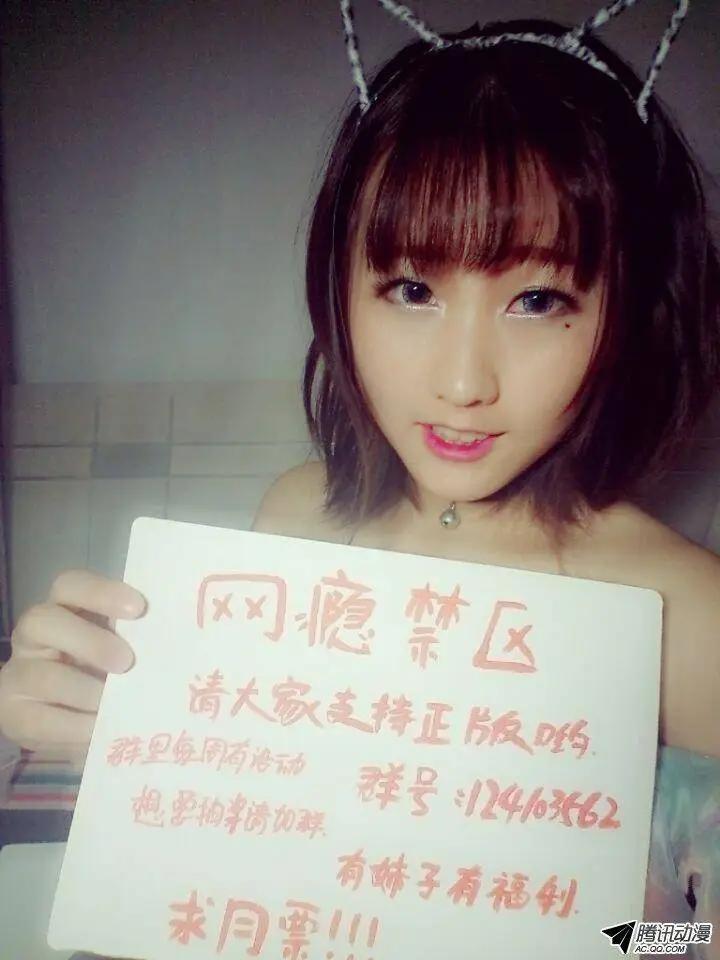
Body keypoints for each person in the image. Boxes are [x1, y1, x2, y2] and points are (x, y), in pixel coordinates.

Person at [0, 9, 718, 954]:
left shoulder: (687, 615)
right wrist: (127, 744)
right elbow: (261, 833)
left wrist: (620, 942)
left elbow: (696, 936)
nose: (462, 382)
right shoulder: (298, 513)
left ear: (630, 311)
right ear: (339, 287)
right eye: (412, 290)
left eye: (539, 299)